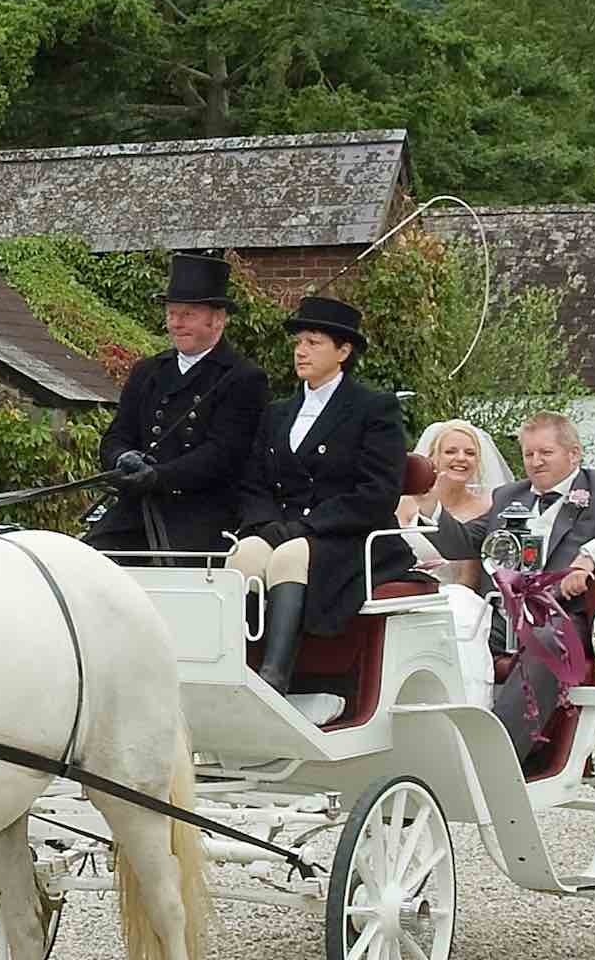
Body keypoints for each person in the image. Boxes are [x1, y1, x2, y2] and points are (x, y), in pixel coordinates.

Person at [422, 412, 595, 762]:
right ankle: (433, 747)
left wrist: (589, 556)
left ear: (574, 454)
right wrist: (432, 508)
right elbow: (465, 543)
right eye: (529, 454)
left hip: (565, 615)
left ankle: (493, 757)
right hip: (501, 615)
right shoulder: (508, 495)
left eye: (545, 453)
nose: (535, 462)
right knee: (438, 634)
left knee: (547, 642)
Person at [230, 296, 413, 693]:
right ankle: (234, 668)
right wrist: (265, 525)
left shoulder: (373, 409)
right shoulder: (278, 412)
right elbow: (254, 482)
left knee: (290, 557)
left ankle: (275, 676)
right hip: (285, 529)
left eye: (313, 342)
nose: (301, 351)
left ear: (343, 351)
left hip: (350, 535)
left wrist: (307, 527)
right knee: (244, 554)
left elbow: (378, 492)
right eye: (299, 342)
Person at [86, 253, 268, 555]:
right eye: (172, 314)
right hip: (137, 511)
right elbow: (117, 434)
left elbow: (223, 455)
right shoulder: (148, 371)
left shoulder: (243, 378)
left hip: (202, 513)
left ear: (218, 320)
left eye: (187, 315)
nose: (176, 324)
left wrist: (159, 476)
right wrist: (122, 458)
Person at [397, 419, 513, 707]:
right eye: (451, 451)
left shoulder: (487, 508)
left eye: (470, 453)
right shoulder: (402, 504)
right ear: (433, 458)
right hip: (405, 595)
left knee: (457, 613)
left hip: (457, 599)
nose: (461, 459)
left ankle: (464, 707)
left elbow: (469, 581)